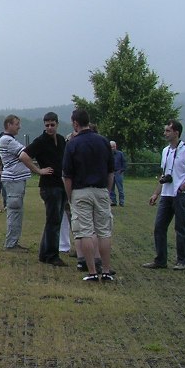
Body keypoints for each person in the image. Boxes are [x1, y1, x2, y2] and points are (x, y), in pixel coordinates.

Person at [62, 108, 115, 281]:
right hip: (101, 189)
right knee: (103, 232)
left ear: (75, 123)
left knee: (84, 231)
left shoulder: (72, 144)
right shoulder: (104, 141)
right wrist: (107, 191)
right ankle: (106, 271)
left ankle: (92, 272)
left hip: (80, 191)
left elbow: (67, 176)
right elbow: (111, 172)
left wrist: (70, 196)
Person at [142, 119, 185, 271]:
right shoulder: (165, 151)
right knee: (159, 227)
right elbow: (164, 175)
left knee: (181, 228)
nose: (165, 133)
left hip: (180, 195)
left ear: (176, 133)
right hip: (166, 195)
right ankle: (160, 260)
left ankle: (182, 261)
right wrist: (156, 193)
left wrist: (183, 187)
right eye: (165, 130)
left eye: (168, 131)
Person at [0, 114, 54, 251]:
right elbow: (26, 154)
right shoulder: (8, 140)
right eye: (17, 124)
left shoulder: (9, 140)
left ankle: (13, 242)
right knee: (15, 211)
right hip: (14, 180)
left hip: (15, 180)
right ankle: (11, 243)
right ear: (9, 125)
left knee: (16, 211)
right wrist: (38, 170)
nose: (19, 127)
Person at [26, 112, 68, 266]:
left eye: (52, 125)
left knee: (56, 219)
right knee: (53, 220)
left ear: (57, 124)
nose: (50, 128)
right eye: (47, 125)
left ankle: (45, 253)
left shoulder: (61, 140)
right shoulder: (41, 141)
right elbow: (24, 156)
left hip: (61, 184)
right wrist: (38, 170)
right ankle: (51, 255)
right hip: (49, 186)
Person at [109, 140, 127, 206]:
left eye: (113, 147)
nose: (112, 148)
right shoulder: (108, 154)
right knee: (111, 189)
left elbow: (124, 163)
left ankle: (121, 201)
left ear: (115, 146)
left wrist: (121, 170)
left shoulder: (120, 154)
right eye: (111, 147)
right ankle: (113, 201)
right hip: (111, 173)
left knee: (120, 188)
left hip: (118, 173)